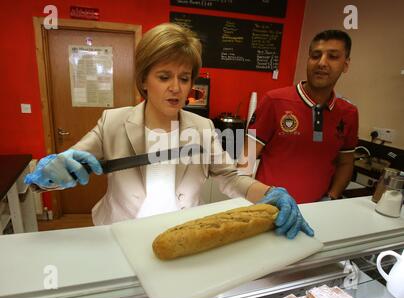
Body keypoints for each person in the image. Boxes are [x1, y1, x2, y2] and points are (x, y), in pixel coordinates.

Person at [25, 23, 313, 239]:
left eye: (184, 78)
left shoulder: (202, 128)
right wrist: (51, 173)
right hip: (119, 235)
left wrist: (269, 193)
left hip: (181, 234)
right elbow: (64, 167)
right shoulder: (112, 122)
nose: (176, 87)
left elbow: (229, 176)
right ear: (144, 80)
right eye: (164, 77)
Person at [239, 30, 358, 204]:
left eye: (333, 56)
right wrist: (246, 201)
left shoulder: (349, 113)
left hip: (317, 209)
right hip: (268, 207)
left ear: (346, 64)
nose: (322, 63)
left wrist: (331, 197)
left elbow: (345, 163)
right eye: (315, 56)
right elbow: (247, 157)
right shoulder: (275, 101)